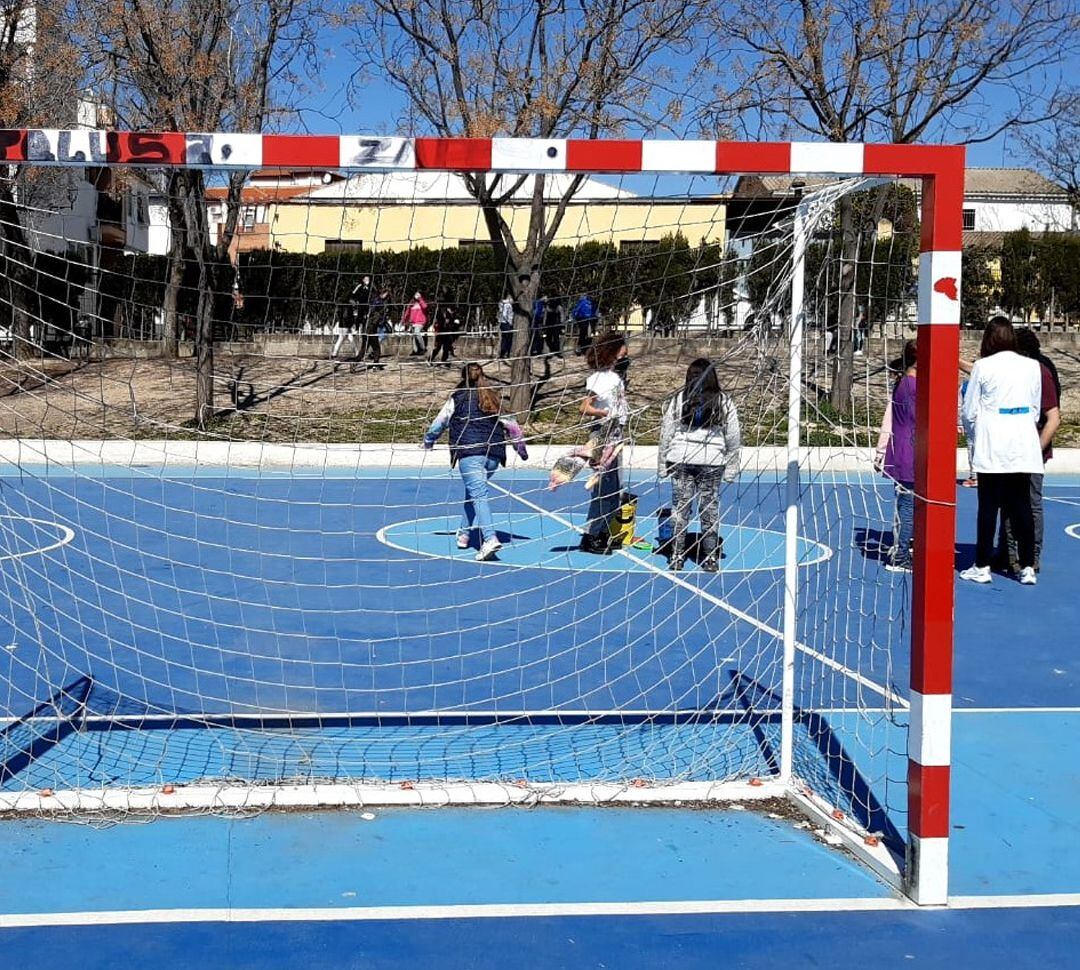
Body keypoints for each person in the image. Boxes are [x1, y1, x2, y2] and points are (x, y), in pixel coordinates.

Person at [959, 318, 1043, 586]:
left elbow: (969, 410)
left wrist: (977, 432)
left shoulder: (983, 367)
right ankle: (1027, 565)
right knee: (1022, 507)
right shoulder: (1032, 367)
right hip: (1021, 446)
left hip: (993, 446)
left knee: (988, 508)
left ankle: (982, 565)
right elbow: (1034, 410)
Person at [423, 363, 528, 561]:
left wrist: (429, 441)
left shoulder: (457, 398)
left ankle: (489, 538)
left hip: (470, 453)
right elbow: (513, 427)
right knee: (472, 494)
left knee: (479, 495)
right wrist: (521, 450)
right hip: (493, 456)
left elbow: (439, 423)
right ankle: (464, 534)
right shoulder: (492, 397)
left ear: (463, 378)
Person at [658, 358, 741, 572]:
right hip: (712, 461)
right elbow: (733, 437)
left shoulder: (679, 399)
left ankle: (677, 556)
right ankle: (710, 557)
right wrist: (731, 467)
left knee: (680, 508)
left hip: (681, 459)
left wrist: (662, 463)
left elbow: (666, 432)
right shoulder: (724, 401)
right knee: (710, 508)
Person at [995, 327, 1061, 573]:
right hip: (1013, 447)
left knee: (1030, 502)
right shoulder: (1021, 369)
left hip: (1031, 448)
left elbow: (1053, 416)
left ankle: (1031, 556)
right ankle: (1007, 552)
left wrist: (1036, 448)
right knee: (1009, 501)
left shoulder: (1039, 371)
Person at [579, 331, 630, 553]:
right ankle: (592, 535)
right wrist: (602, 413)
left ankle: (600, 532)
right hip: (603, 434)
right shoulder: (597, 379)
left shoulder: (616, 377)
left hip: (616, 434)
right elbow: (584, 407)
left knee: (614, 488)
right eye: (621, 347)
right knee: (604, 489)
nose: (624, 351)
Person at [874, 341, 917, 573]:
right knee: (908, 506)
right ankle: (900, 555)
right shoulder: (913, 385)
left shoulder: (903, 381)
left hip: (901, 449)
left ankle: (903, 549)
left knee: (906, 505)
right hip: (909, 451)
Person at [430, 301, 458, 366]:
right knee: (438, 348)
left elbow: (450, 324)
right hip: (442, 333)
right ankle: (430, 359)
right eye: (452, 310)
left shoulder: (451, 315)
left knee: (446, 348)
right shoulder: (443, 313)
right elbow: (442, 323)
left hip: (447, 333)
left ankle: (444, 361)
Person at [402, 292, 428, 356]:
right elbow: (407, 312)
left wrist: (420, 299)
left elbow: (425, 306)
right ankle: (416, 350)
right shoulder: (411, 303)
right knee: (414, 337)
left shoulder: (421, 302)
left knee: (417, 333)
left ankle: (423, 348)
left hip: (420, 321)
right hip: (413, 322)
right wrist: (404, 320)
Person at [497, 295, 514, 359]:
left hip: (502, 323)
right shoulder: (508, 305)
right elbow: (504, 314)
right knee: (508, 339)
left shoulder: (502, 303)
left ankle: (503, 353)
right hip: (506, 323)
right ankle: (506, 353)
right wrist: (509, 322)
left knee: (504, 338)